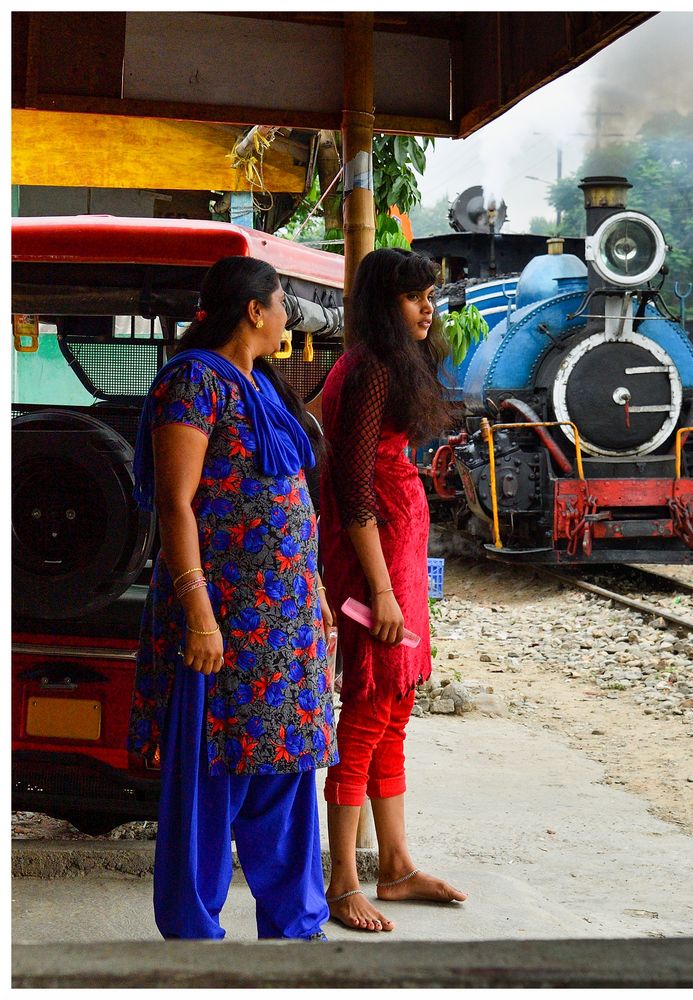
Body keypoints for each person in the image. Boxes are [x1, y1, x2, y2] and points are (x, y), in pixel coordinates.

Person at [128, 255, 338, 940]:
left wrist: (318, 593)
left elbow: (291, 502)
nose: (287, 321)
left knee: (287, 775)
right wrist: (198, 613)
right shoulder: (193, 383)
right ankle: (195, 941)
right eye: (283, 306)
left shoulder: (264, 386)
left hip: (285, 625)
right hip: (222, 625)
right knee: (211, 782)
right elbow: (176, 504)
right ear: (255, 310)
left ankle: (295, 930)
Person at [319, 248, 467, 932]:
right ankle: (345, 880)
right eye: (415, 297)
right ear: (387, 303)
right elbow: (352, 486)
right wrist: (380, 589)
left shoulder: (371, 366)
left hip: (395, 555)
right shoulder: (371, 369)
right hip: (377, 562)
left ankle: (398, 866)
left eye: (429, 296)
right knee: (370, 708)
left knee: (394, 708)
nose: (427, 307)